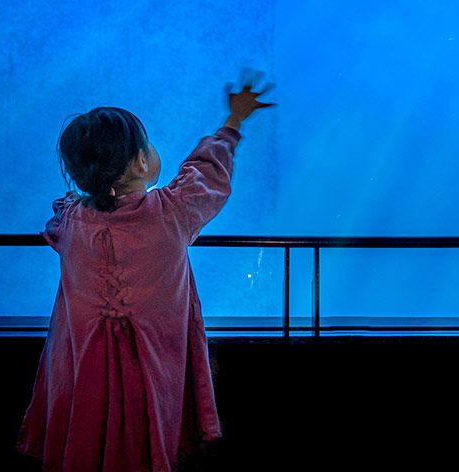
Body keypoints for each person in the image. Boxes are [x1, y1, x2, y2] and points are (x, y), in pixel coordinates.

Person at [17, 75, 274, 472]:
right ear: (141, 161)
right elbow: (207, 174)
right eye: (148, 145)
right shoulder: (171, 213)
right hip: (151, 372)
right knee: (147, 440)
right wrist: (233, 122)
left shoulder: (70, 222)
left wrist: (83, 197)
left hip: (81, 373)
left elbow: (59, 218)